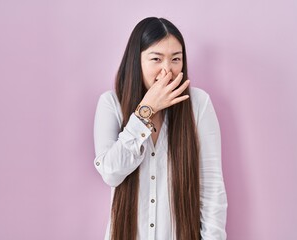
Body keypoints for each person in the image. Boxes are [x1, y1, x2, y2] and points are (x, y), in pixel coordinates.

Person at [93, 17, 227, 240]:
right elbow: (110, 173)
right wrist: (145, 111)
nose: (168, 70)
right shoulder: (111, 104)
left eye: (176, 59)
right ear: (136, 61)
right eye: (156, 58)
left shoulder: (198, 104)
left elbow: (212, 188)